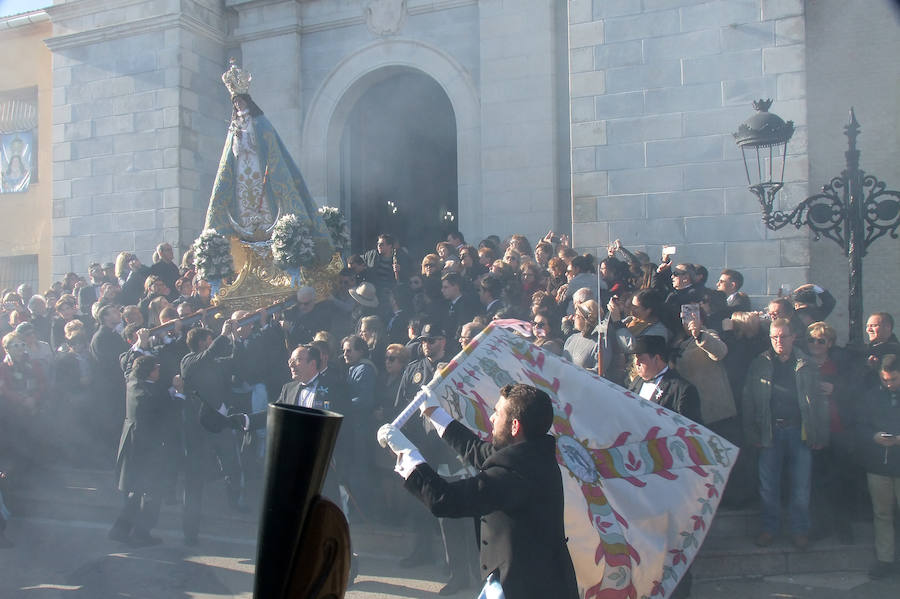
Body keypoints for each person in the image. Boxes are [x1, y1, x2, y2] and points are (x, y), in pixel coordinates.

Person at [377, 383, 579, 599]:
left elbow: (445, 499)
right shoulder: (532, 455)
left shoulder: (515, 474)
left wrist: (407, 454)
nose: (492, 418)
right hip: (525, 579)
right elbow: (478, 450)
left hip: (525, 588)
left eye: (497, 413)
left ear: (515, 426)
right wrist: (435, 413)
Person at [205, 60, 333, 265]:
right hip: (241, 172)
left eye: (240, 101)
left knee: (266, 206)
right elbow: (231, 155)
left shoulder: (260, 122)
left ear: (247, 101)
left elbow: (267, 146)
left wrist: (248, 139)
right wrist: (237, 140)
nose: (238, 105)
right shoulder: (233, 126)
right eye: (235, 103)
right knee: (244, 207)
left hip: (259, 168)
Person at [743, 318, 829, 550]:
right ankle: (769, 528)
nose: (778, 341)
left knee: (801, 486)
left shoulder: (806, 364)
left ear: (793, 337)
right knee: (768, 486)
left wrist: (820, 433)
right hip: (769, 431)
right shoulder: (760, 363)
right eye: (774, 337)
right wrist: (752, 432)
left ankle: (799, 530)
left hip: (799, 431)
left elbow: (818, 401)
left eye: (783, 336)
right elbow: (748, 399)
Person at [108, 356, 174, 547]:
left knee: (137, 492)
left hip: (136, 445)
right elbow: (164, 411)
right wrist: (177, 395)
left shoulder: (133, 383)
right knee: (151, 491)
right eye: (156, 368)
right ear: (149, 372)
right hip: (146, 448)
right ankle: (139, 531)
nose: (158, 371)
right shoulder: (147, 394)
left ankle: (123, 530)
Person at [856, 354, 900, 579]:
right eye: (885, 380)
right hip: (878, 464)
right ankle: (885, 559)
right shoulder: (871, 397)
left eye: (893, 379)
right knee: (882, 514)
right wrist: (874, 436)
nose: (889, 384)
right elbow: (860, 426)